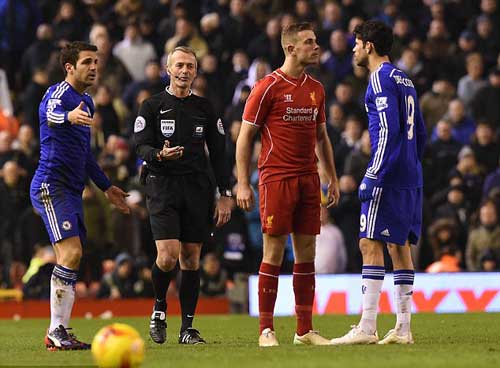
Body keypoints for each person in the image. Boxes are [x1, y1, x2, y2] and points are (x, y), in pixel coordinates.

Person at [235, 22, 339, 347]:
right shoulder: (267, 86)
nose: (316, 46)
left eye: (316, 41)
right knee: (275, 250)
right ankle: (266, 329)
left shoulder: (316, 88)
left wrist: (330, 176)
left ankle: (304, 330)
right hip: (276, 177)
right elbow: (245, 137)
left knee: (306, 252)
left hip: (308, 178)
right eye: (309, 42)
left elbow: (322, 137)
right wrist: (241, 182)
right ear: (291, 48)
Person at [330, 20, 426, 345]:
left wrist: (374, 174)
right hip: (410, 174)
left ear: (368, 45)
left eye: (356, 43)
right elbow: (420, 133)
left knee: (369, 243)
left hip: (388, 175)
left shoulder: (380, 78)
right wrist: (411, 165)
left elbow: (388, 131)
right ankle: (403, 328)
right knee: (399, 247)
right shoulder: (405, 78)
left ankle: (367, 327)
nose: (354, 49)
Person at [29, 41, 130, 351]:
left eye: (96, 62)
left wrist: (106, 186)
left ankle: (59, 331)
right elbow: (50, 114)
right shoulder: (58, 95)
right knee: (71, 254)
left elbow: (85, 154)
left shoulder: (87, 101)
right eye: (87, 62)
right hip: (51, 184)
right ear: (69, 67)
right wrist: (68, 117)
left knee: (71, 257)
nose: (94, 67)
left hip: (72, 190)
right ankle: (56, 329)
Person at [134, 46, 232, 345]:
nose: (185, 71)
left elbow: (219, 154)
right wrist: (159, 155)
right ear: (168, 68)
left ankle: (188, 328)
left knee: (191, 259)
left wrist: (225, 193)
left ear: (196, 72)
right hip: (162, 185)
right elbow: (140, 145)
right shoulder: (151, 106)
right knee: (168, 256)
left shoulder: (205, 108)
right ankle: (160, 307)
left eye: (190, 66)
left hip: (197, 189)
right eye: (179, 65)